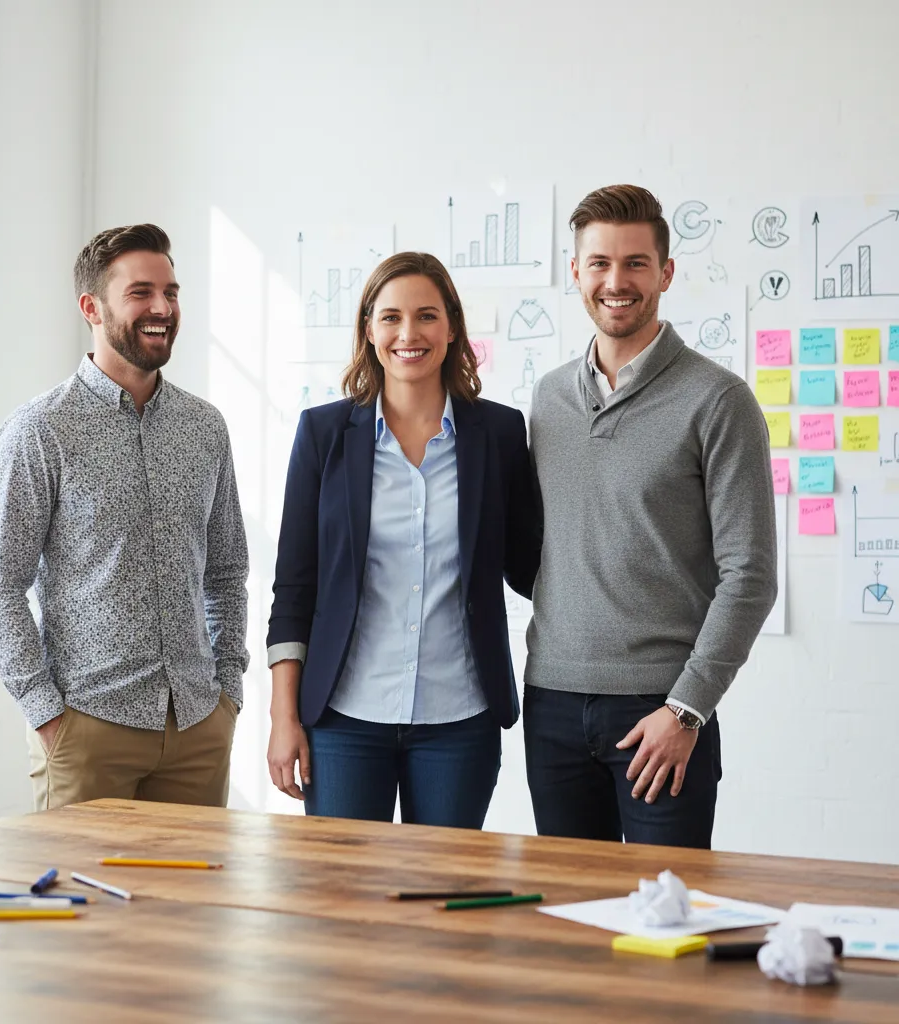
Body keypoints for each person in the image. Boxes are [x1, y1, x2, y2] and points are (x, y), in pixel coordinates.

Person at [524, 185, 777, 849]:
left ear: (665, 273)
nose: (617, 281)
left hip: (661, 710)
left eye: (636, 263)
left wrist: (687, 708)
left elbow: (749, 573)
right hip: (549, 702)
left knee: (667, 921)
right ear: (575, 272)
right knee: (573, 923)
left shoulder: (718, 400)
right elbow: (545, 551)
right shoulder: (548, 400)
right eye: (600, 263)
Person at [0, 223, 249, 811]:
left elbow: (226, 571)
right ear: (90, 307)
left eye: (171, 293)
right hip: (88, 727)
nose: (162, 308)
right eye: (141, 292)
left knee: (185, 903)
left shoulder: (205, 428)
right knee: (81, 902)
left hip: (198, 726)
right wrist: (49, 717)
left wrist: (228, 693)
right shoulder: (41, 430)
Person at [266, 252, 539, 828]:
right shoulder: (322, 435)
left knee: (440, 897)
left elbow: (530, 564)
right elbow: (294, 587)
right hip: (343, 718)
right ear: (369, 330)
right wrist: (283, 718)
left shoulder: (499, 434)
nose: (408, 334)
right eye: (390, 318)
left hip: (459, 719)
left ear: (452, 328)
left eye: (426, 316)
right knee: (343, 898)